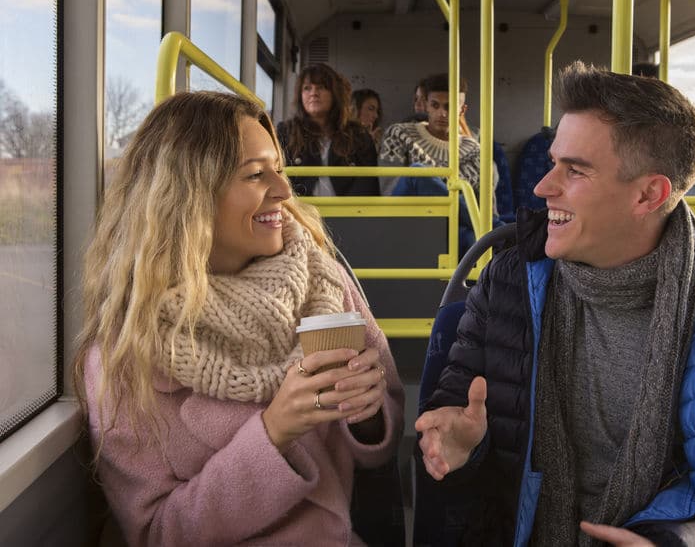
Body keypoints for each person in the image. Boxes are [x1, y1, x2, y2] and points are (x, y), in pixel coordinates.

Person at [415, 62, 695, 546]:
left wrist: (674, 543)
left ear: (649, 194)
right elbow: (456, 417)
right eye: (553, 162)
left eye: (575, 170)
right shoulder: (510, 280)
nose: (543, 187)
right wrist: (463, 448)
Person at [74, 91, 404, 546]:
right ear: (189, 199)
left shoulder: (322, 280)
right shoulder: (126, 354)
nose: (285, 191)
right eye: (255, 174)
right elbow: (157, 534)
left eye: (279, 170)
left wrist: (367, 415)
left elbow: (382, 435)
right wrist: (273, 434)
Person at [277, 63, 380, 196]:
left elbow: (368, 184)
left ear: (334, 94)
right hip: (299, 213)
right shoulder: (286, 132)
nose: (314, 93)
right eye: (307, 88)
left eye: (321, 87)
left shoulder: (358, 135)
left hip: (349, 213)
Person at [379, 73, 485, 197]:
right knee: (417, 172)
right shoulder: (399, 135)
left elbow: (487, 203)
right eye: (435, 105)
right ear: (426, 105)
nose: (442, 113)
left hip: (458, 215)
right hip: (411, 213)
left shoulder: (474, 151)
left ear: (462, 110)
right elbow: (390, 192)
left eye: (449, 107)